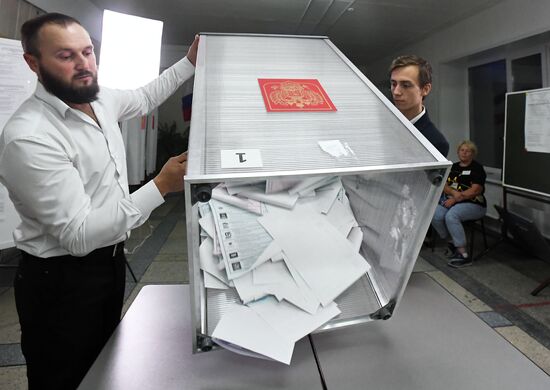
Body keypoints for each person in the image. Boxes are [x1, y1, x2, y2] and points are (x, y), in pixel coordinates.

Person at [0, 13, 198, 389]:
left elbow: (143, 97)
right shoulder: (30, 137)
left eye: (87, 52)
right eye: (65, 56)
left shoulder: (100, 97)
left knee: (104, 366)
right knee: (64, 376)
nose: (84, 65)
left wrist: (189, 62)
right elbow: (77, 235)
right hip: (59, 281)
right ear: (33, 63)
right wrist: (160, 185)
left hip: (108, 265)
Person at [431, 140, 487, 268]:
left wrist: (456, 198)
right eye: (462, 150)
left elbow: (476, 190)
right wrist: (452, 193)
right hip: (452, 201)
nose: (464, 153)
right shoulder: (454, 167)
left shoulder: (477, 168)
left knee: (451, 216)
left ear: (473, 154)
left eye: (468, 151)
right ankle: (451, 241)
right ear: (458, 152)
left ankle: (463, 254)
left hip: (474, 204)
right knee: (435, 214)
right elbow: (444, 185)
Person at [389, 55, 449, 157]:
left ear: (425, 89)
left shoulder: (435, 142)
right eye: (394, 84)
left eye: (406, 85)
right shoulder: (382, 125)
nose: (396, 92)